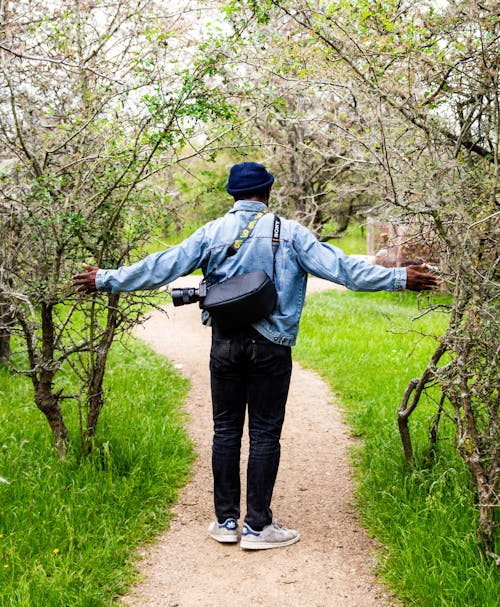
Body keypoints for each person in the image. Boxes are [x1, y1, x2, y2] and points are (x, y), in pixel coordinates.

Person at [72, 161, 439, 551]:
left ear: (232, 195)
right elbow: (345, 272)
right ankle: (258, 527)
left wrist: (104, 278)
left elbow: (161, 268)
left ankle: (226, 522)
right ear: (267, 193)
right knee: (264, 434)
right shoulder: (292, 234)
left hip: (224, 344)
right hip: (272, 347)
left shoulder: (211, 233)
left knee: (225, 431)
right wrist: (401, 277)